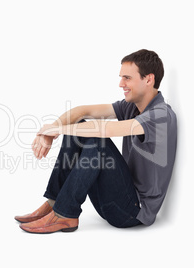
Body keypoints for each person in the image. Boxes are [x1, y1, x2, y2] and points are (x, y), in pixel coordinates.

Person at [15, 49, 177, 234]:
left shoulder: (161, 115)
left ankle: (65, 213)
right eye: (121, 77)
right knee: (80, 125)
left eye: (127, 78)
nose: (121, 84)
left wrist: (55, 130)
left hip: (132, 212)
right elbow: (82, 111)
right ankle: (55, 203)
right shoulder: (132, 106)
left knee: (98, 140)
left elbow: (105, 130)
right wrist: (51, 130)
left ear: (149, 79)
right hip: (113, 201)